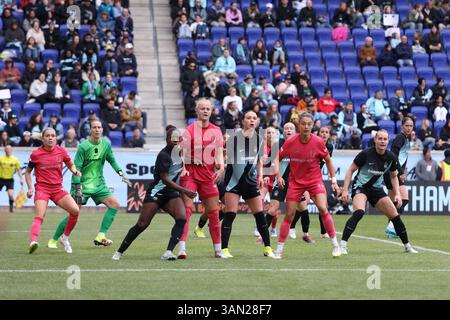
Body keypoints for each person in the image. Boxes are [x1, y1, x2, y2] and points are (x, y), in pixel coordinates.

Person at [112, 126, 194, 260]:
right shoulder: (163, 155)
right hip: (157, 192)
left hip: (171, 194)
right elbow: (165, 180)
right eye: (172, 139)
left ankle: (168, 252)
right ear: (167, 139)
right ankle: (119, 252)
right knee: (142, 224)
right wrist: (184, 190)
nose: (175, 141)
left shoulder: (181, 152)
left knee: (182, 219)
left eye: (177, 139)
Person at [48, 121, 131, 250]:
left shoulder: (106, 145)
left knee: (114, 205)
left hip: (98, 184)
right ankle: (54, 239)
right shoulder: (83, 147)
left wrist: (121, 173)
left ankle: (100, 236)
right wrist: (77, 187)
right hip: (82, 185)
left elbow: (112, 161)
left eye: (99, 127)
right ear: (90, 130)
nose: (97, 130)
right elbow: (76, 168)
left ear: (102, 129)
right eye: (94, 127)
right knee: (74, 212)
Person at [274, 112, 342, 258]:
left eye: (309, 124)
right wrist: (278, 176)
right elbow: (277, 158)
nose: (306, 126)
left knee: (323, 209)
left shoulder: (318, 142)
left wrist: (334, 181)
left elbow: (329, 161)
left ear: (312, 126)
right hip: (295, 182)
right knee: (289, 215)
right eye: (303, 123)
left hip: (314, 181)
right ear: (299, 124)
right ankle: (279, 250)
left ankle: (335, 245)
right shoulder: (291, 142)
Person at [340, 129, 418, 254]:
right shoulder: (365, 154)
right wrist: (345, 190)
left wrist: (397, 193)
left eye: (385, 139)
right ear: (375, 140)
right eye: (380, 139)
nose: (382, 141)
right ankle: (342, 245)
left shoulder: (391, 157)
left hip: (377, 189)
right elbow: (350, 170)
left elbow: (393, 176)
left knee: (395, 216)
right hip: (361, 187)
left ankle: (408, 246)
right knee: (359, 212)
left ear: (388, 141)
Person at [220, 110, 276, 258]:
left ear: (257, 121)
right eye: (248, 118)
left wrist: (260, 176)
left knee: (259, 215)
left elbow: (259, 161)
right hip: (233, 182)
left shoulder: (259, 140)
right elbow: (225, 156)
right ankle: (224, 249)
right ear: (243, 120)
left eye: (254, 118)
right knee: (230, 214)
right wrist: (221, 167)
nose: (251, 120)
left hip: (250, 182)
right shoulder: (233, 138)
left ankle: (268, 248)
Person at [178, 99, 225, 258]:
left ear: (211, 112)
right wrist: (191, 160)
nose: (205, 111)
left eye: (208, 109)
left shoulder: (217, 131)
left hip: (207, 176)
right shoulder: (189, 130)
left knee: (214, 213)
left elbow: (219, 154)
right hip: (190, 175)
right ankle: (182, 249)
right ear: (197, 111)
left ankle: (218, 250)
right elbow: (181, 156)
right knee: (187, 211)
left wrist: (222, 167)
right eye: (202, 109)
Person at [25, 128, 82, 254]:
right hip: (42, 189)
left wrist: (74, 170)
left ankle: (65, 237)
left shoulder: (61, 151)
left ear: (56, 138)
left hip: (57, 189)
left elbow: (70, 163)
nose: (50, 138)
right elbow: (28, 173)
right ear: (43, 138)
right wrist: (30, 188)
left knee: (75, 210)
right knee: (40, 215)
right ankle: (33, 242)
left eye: (53, 136)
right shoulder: (36, 154)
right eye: (48, 136)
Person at [289, 125, 335, 242]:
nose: (324, 134)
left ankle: (324, 232)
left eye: (326, 132)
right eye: (322, 132)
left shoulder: (329, 147)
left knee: (323, 205)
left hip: (315, 178)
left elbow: (327, 162)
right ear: (317, 134)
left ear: (329, 135)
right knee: (305, 203)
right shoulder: (312, 143)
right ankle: (293, 227)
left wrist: (332, 178)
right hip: (302, 178)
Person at [383, 117, 414, 238]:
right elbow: (394, 155)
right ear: (402, 126)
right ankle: (392, 225)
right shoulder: (400, 138)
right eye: (407, 126)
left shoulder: (405, 138)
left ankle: (391, 232)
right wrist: (400, 171)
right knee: (404, 199)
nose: (409, 128)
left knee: (394, 203)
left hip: (391, 172)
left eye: (411, 126)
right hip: (393, 173)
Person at [0, 145, 23, 212]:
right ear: (5, 150)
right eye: (7, 149)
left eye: (10, 149)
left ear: (12, 150)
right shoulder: (1, 158)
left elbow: (18, 169)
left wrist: (21, 178)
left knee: (10, 195)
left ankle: (11, 207)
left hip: (10, 179)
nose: (8, 150)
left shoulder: (15, 159)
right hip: (1, 178)